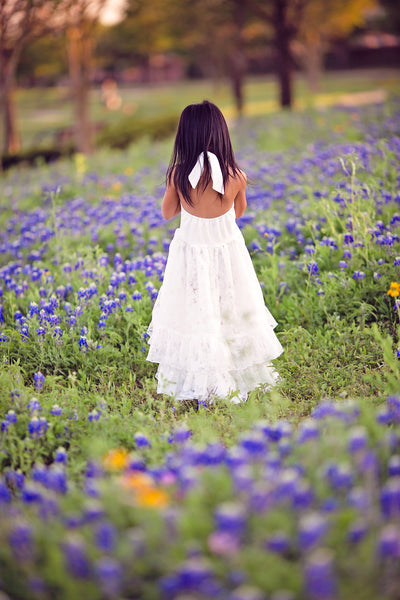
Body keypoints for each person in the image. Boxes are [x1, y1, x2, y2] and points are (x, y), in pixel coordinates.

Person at [146, 100, 283, 403]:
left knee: (196, 312)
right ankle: (237, 374)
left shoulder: (178, 175)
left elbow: (167, 213)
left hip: (192, 258)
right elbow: (239, 211)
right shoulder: (236, 176)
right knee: (230, 309)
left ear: (185, 137)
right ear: (221, 134)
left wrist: (181, 193)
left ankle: (201, 378)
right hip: (228, 256)